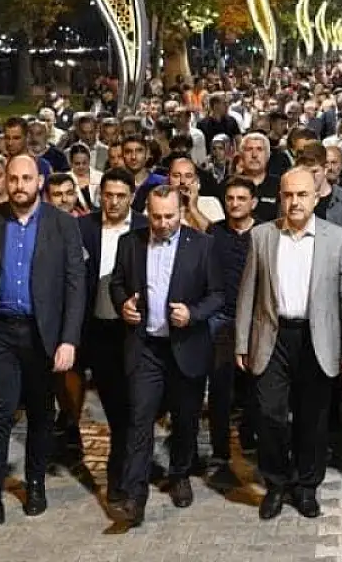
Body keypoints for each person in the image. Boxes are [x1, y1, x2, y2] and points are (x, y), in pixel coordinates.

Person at [0, 156, 85, 538]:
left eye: (26, 178)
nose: (18, 185)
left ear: (39, 181)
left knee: (41, 413)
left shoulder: (63, 224)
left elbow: (75, 284)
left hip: (42, 334)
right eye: (12, 178)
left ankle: (35, 483)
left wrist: (68, 339)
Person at [235, 168, 342, 520]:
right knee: (268, 414)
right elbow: (248, 292)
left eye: (302, 195)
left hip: (317, 339)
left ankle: (307, 486)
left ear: (316, 198)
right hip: (271, 337)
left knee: (313, 419)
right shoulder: (262, 235)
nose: (294, 202)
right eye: (288, 195)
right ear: (280, 197)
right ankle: (276, 483)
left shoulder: (336, 238)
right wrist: (242, 341)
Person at [107, 186, 223, 528]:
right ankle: (135, 495)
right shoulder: (130, 243)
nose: (162, 223)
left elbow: (218, 294)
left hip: (185, 347)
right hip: (145, 348)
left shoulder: (202, 245)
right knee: (139, 419)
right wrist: (123, 305)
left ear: (181, 212)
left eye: (169, 216)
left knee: (185, 418)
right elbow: (116, 284)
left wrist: (193, 313)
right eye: (156, 217)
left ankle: (180, 473)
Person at [75, 169, 146, 503]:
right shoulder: (83, 227)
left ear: (132, 197)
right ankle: (124, 468)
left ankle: (124, 473)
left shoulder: (145, 226)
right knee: (115, 406)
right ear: (99, 195)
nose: (114, 202)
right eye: (108, 195)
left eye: (121, 196)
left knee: (136, 406)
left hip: (137, 329)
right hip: (98, 329)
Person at [206, 176, 258, 476]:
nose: (235, 204)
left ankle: (249, 436)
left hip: (255, 320)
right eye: (230, 198)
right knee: (220, 387)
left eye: (241, 198)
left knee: (255, 384)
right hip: (221, 319)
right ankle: (220, 449)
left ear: (253, 202)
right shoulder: (214, 233)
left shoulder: (265, 233)